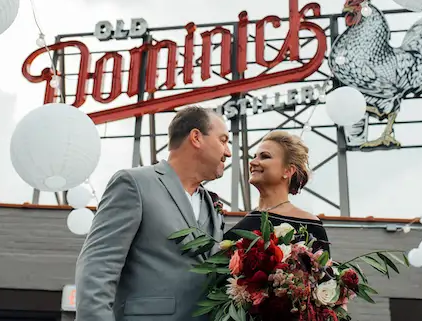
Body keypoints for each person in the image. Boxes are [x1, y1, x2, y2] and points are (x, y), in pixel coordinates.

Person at [74, 106, 232, 321]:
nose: (228, 151)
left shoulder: (212, 205)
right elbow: (98, 268)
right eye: (223, 140)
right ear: (196, 137)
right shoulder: (134, 184)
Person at [224, 130, 330, 254]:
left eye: (265, 156)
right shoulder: (238, 231)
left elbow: (322, 271)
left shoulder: (310, 227)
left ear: (288, 171)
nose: (252, 162)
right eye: (254, 156)